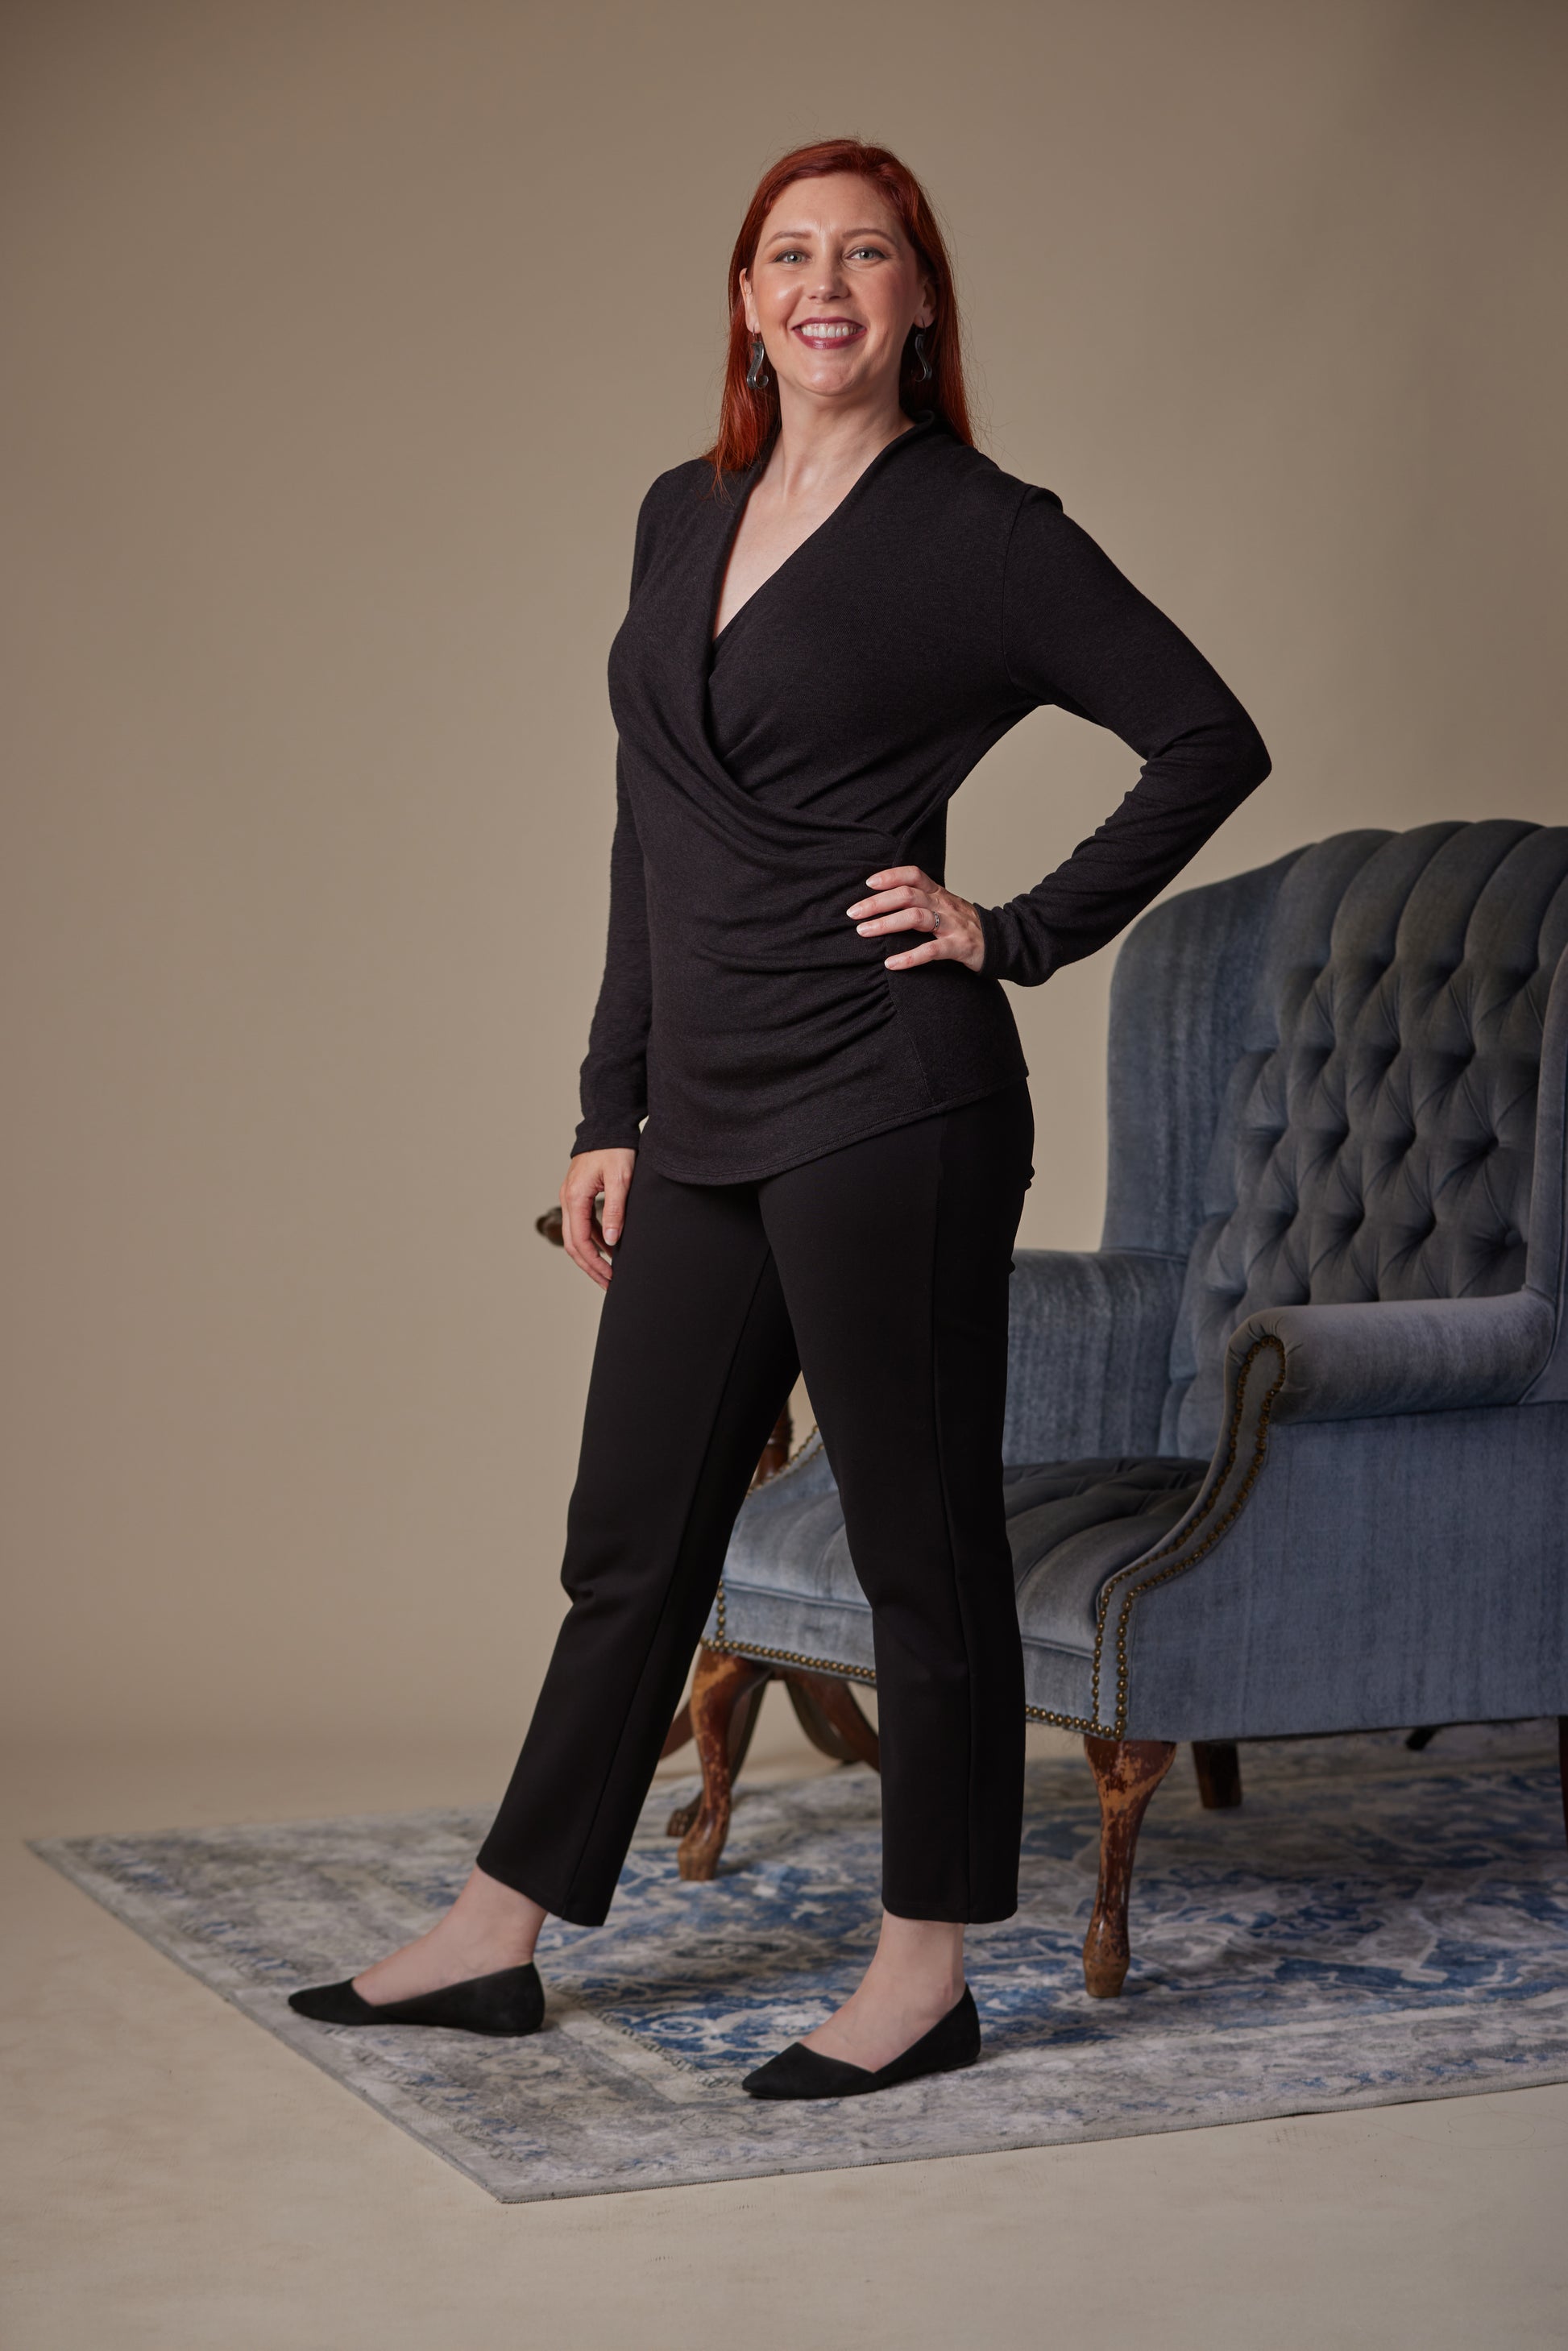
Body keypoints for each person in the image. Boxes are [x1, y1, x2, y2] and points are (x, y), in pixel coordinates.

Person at [289, 136, 1271, 2099]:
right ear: (746, 300)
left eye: (870, 254)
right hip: (707, 1110)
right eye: (789, 254)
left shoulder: (980, 529)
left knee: (921, 1543)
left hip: (887, 1099)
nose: (826, 284)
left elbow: (1207, 736)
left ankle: (928, 1969)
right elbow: (653, 831)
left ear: (919, 301)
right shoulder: (683, 510)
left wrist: (1017, 927)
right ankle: (505, 1927)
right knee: (628, 1540)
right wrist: (608, 1105)